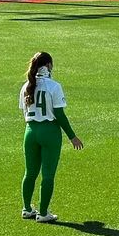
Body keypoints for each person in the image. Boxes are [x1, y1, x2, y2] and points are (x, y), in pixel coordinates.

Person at [19, 52, 84, 223]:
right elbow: (60, 115)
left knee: (30, 173)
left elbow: (24, 112)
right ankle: (43, 213)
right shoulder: (54, 86)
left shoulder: (26, 86)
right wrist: (72, 136)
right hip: (49, 132)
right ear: (48, 65)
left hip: (30, 131)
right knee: (48, 174)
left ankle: (26, 209)